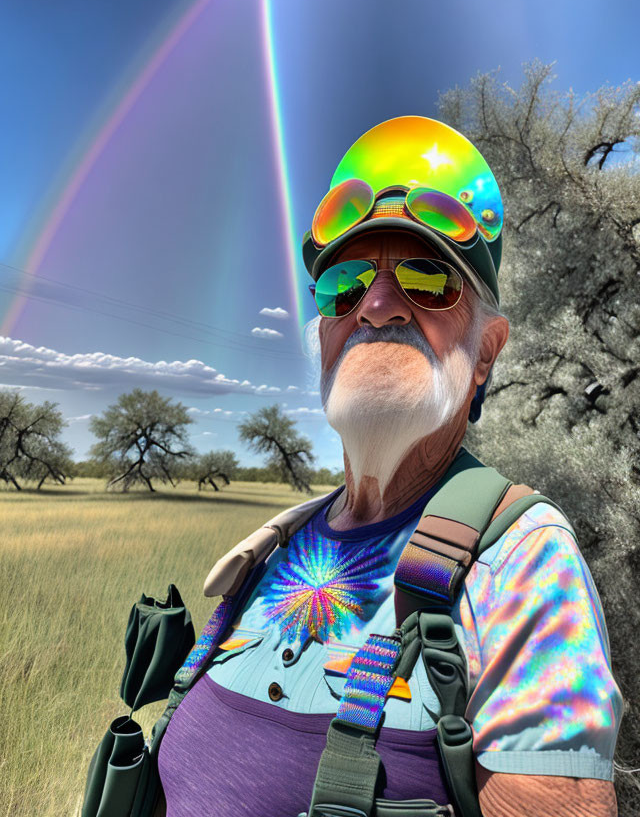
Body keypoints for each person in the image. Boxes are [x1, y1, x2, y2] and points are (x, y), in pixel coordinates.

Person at [155, 116, 623, 817]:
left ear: (487, 353)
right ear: (324, 333)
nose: (374, 306)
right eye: (343, 284)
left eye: (427, 278)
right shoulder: (276, 545)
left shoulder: (526, 564)